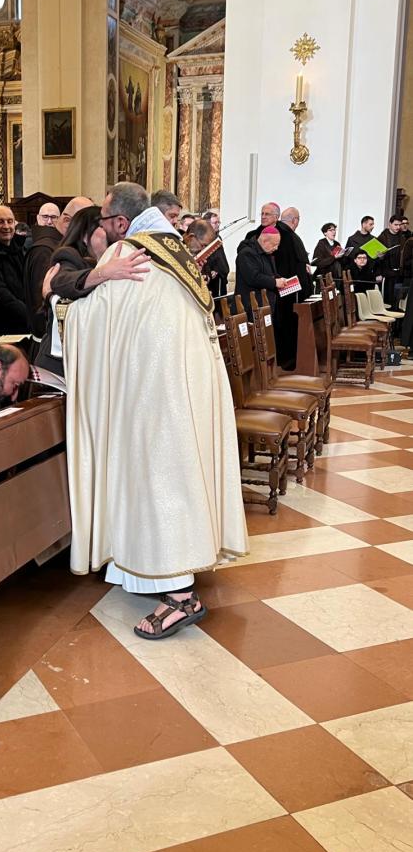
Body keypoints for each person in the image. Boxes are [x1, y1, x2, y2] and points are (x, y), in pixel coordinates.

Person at [64, 182, 247, 638]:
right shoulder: (177, 250)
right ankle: (151, 568)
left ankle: (180, 597)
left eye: (104, 221)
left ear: (120, 222)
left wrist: (58, 304)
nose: (103, 231)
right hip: (190, 382)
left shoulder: (128, 253)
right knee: (180, 476)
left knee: (159, 480)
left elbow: (94, 320)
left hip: (154, 391)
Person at [36, 205, 151, 375]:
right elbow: (61, 281)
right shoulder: (68, 255)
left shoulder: (112, 260)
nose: (110, 234)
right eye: (103, 227)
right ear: (84, 234)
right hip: (60, 364)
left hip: (91, 358)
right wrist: (104, 272)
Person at [246, 203, 309, 367]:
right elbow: (253, 273)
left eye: (267, 214)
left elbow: (296, 263)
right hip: (263, 292)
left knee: (285, 325)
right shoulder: (252, 238)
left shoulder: (287, 236)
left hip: (285, 292)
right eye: (262, 213)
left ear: (276, 217)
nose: (263, 216)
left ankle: (283, 359)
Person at [24, 195, 92, 337]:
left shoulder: (61, 246)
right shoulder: (44, 250)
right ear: (67, 221)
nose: (90, 231)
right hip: (49, 340)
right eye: (86, 224)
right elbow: (41, 307)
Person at [0, 205, 29, 334]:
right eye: (0, 222)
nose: (6, 226)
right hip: (3, 321)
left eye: (10, 221)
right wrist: (28, 314)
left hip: (25, 316)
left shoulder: (21, 246)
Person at [236, 226, 286, 319]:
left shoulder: (268, 253)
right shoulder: (246, 253)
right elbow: (253, 278)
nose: (276, 248)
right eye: (274, 244)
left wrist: (281, 280)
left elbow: (272, 274)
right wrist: (275, 282)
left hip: (265, 305)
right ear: (264, 241)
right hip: (251, 307)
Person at [201, 210, 230, 297]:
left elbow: (220, 257)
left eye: (218, 222)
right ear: (207, 224)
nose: (218, 224)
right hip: (211, 278)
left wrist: (220, 269)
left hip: (220, 275)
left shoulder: (217, 237)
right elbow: (205, 257)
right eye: (215, 222)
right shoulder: (202, 239)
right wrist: (210, 271)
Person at [378, 215, 404, 306]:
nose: (398, 227)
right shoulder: (382, 237)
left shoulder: (402, 237)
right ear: (390, 224)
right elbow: (376, 258)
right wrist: (380, 257)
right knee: (387, 299)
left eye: (399, 225)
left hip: (398, 273)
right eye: (395, 224)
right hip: (386, 272)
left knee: (398, 299)